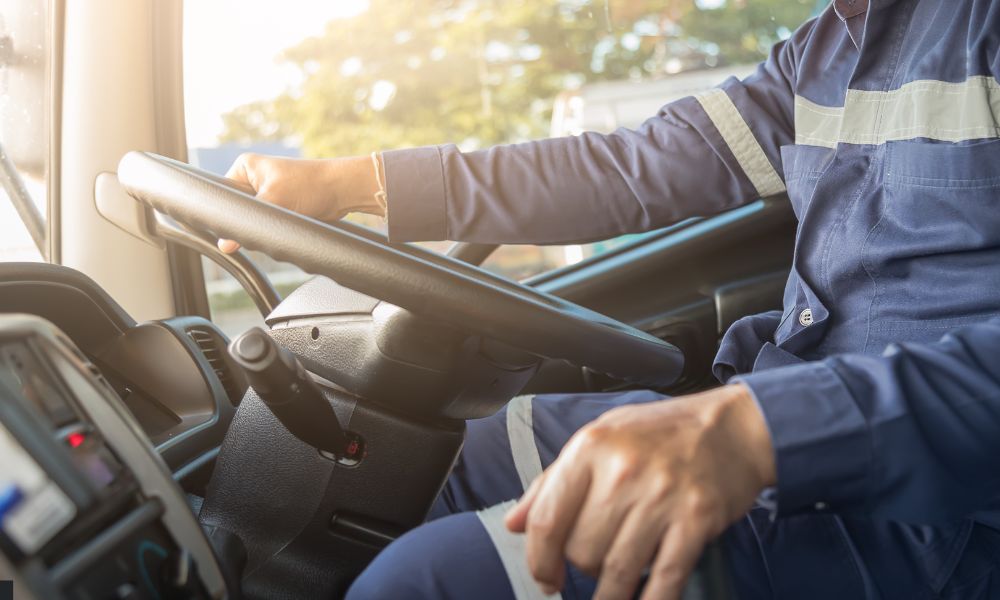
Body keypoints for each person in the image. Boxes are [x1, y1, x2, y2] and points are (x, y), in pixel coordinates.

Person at [219, 0, 1000, 598]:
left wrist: (759, 430)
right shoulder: (824, 51)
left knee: (433, 580)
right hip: (783, 417)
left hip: (939, 507)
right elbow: (633, 167)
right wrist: (357, 183)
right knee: (460, 452)